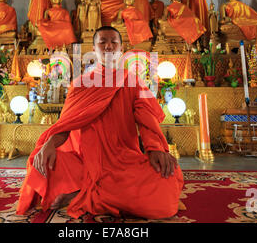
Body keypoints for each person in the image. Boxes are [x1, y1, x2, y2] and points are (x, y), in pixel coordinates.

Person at [16, 26, 184, 219]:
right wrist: (49, 145)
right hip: (85, 161)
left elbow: (147, 118)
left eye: (114, 42)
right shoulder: (80, 83)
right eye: (102, 42)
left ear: (121, 48)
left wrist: (155, 148)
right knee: (41, 159)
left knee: (169, 178)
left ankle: (82, 194)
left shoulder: (133, 81)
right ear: (94, 48)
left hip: (123, 160)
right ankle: (92, 193)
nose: (108, 46)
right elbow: (66, 124)